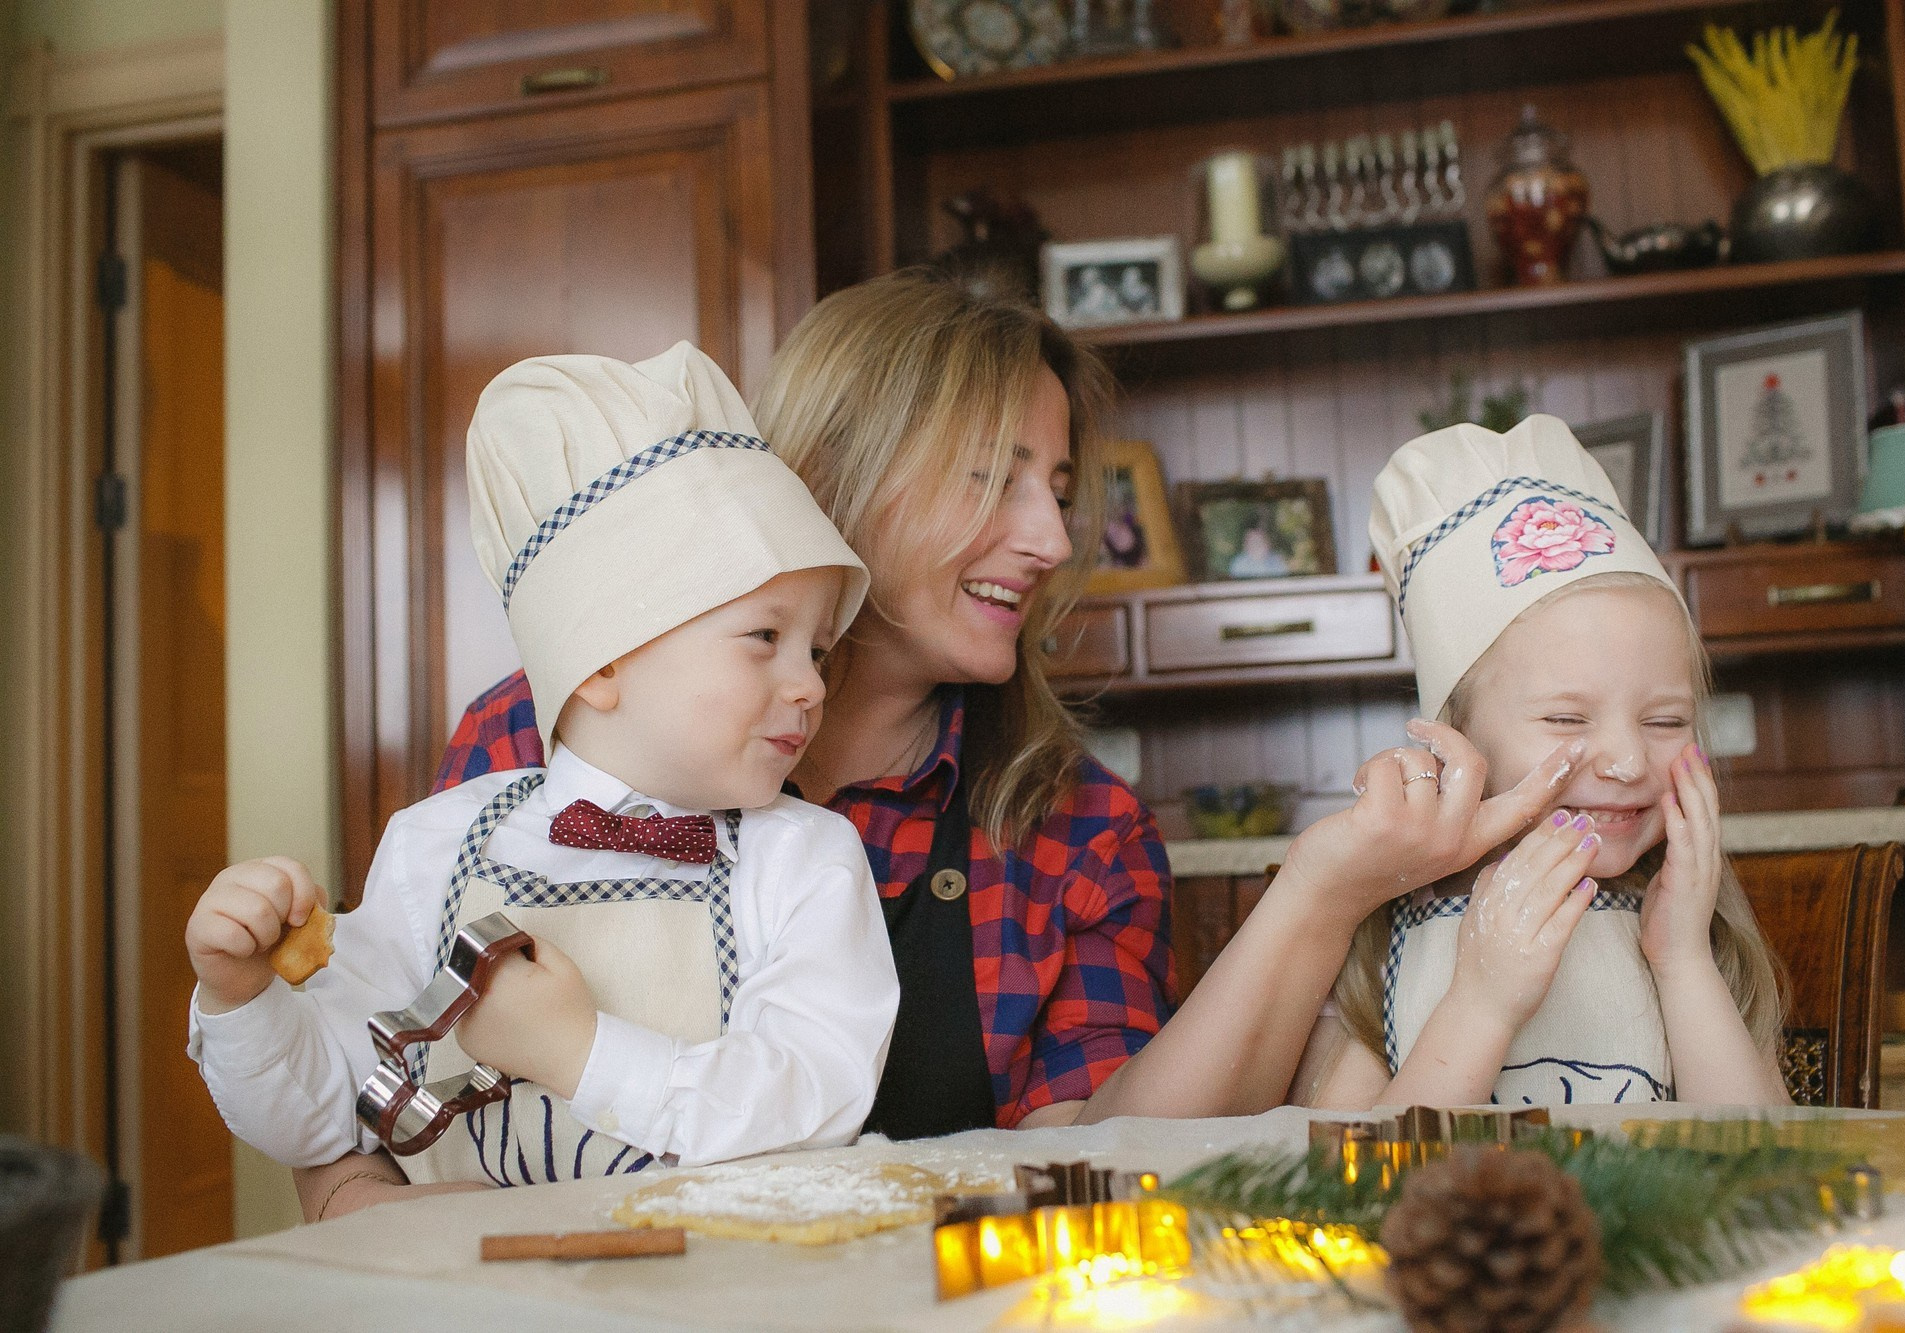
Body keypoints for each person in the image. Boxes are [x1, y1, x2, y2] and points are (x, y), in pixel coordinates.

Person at [295, 272, 1587, 1220]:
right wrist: (358, 1207)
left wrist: (1326, 884)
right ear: (835, 473)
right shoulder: (538, 738)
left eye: (1061, 491)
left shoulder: (1074, 825)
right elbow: (363, 1049)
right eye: (993, 476)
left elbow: (1116, 1154)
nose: (1048, 536)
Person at [184, 344, 896, 1190]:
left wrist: (583, 1053)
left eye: (817, 647)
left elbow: (815, 1102)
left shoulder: (807, 862)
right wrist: (242, 998)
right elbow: (325, 1114)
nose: (812, 683)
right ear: (598, 662)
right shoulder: (433, 845)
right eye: (765, 637)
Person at [1297, 414, 1791, 1108]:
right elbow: (1348, 1188)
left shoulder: (1697, 932)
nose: (1625, 760)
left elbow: (1770, 1175)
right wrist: (1482, 1005)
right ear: (1454, 737)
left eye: (1666, 720)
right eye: (1566, 718)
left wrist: (1681, 960)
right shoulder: (1395, 943)